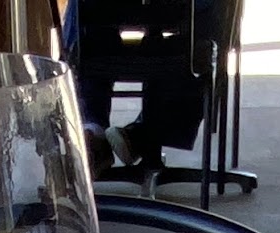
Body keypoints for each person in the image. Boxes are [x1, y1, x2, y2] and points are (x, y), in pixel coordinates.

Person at [64, 0, 217, 173]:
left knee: (87, 37)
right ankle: (140, 136)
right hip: (179, 46)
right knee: (196, 49)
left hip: (105, 47)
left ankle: (97, 134)